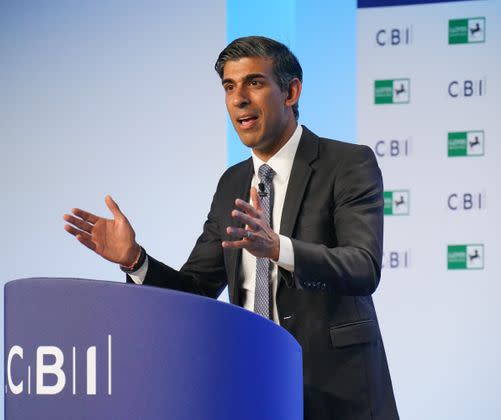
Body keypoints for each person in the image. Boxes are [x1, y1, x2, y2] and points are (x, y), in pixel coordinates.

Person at [64, 36, 398, 420]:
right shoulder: (232, 183)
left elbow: (362, 267)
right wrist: (135, 260)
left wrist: (278, 248)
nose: (238, 98)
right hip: (254, 389)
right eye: (228, 86)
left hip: (338, 394)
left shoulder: (346, 163)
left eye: (254, 83)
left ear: (291, 91)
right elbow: (195, 292)